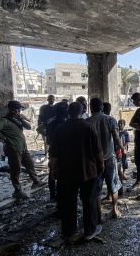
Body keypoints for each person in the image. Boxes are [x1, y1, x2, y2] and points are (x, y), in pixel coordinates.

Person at [49, 102, 104, 240]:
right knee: (89, 201)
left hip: (66, 173)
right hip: (88, 171)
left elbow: (54, 153)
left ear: (68, 111)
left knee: (68, 203)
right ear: (83, 111)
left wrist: (53, 169)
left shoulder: (60, 129)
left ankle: (69, 231)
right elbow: (98, 151)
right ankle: (90, 230)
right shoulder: (88, 126)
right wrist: (101, 164)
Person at [0, 101, 46, 199]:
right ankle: (17, 190)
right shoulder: (4, 121)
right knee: (16, 169)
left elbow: (29, 127)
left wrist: (20, 118)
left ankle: (36, 181)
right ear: (12, 110)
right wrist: (3, 138)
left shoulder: (17, 119)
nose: (19, 111)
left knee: (30, 165)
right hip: (13, 148)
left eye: (20, 109)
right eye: (18, 109)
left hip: (23, 147)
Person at [87, 98, 126, 219]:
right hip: (108, 157)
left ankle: (99, 215)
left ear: (91, 107)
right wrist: (122, 148)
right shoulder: (109, 119)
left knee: (97, 187)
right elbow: (115, 136)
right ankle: (115, 210)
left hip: (94, 160)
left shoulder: (87, 121)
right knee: (113, 185)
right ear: (102, 108)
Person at [45, 101, 68, 201]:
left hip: (54, 151)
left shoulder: (51, 122)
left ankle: (53, 194)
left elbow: (47, 138)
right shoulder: (68, 122)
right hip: (66, 151)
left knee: (53, 171)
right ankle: (61, 194)